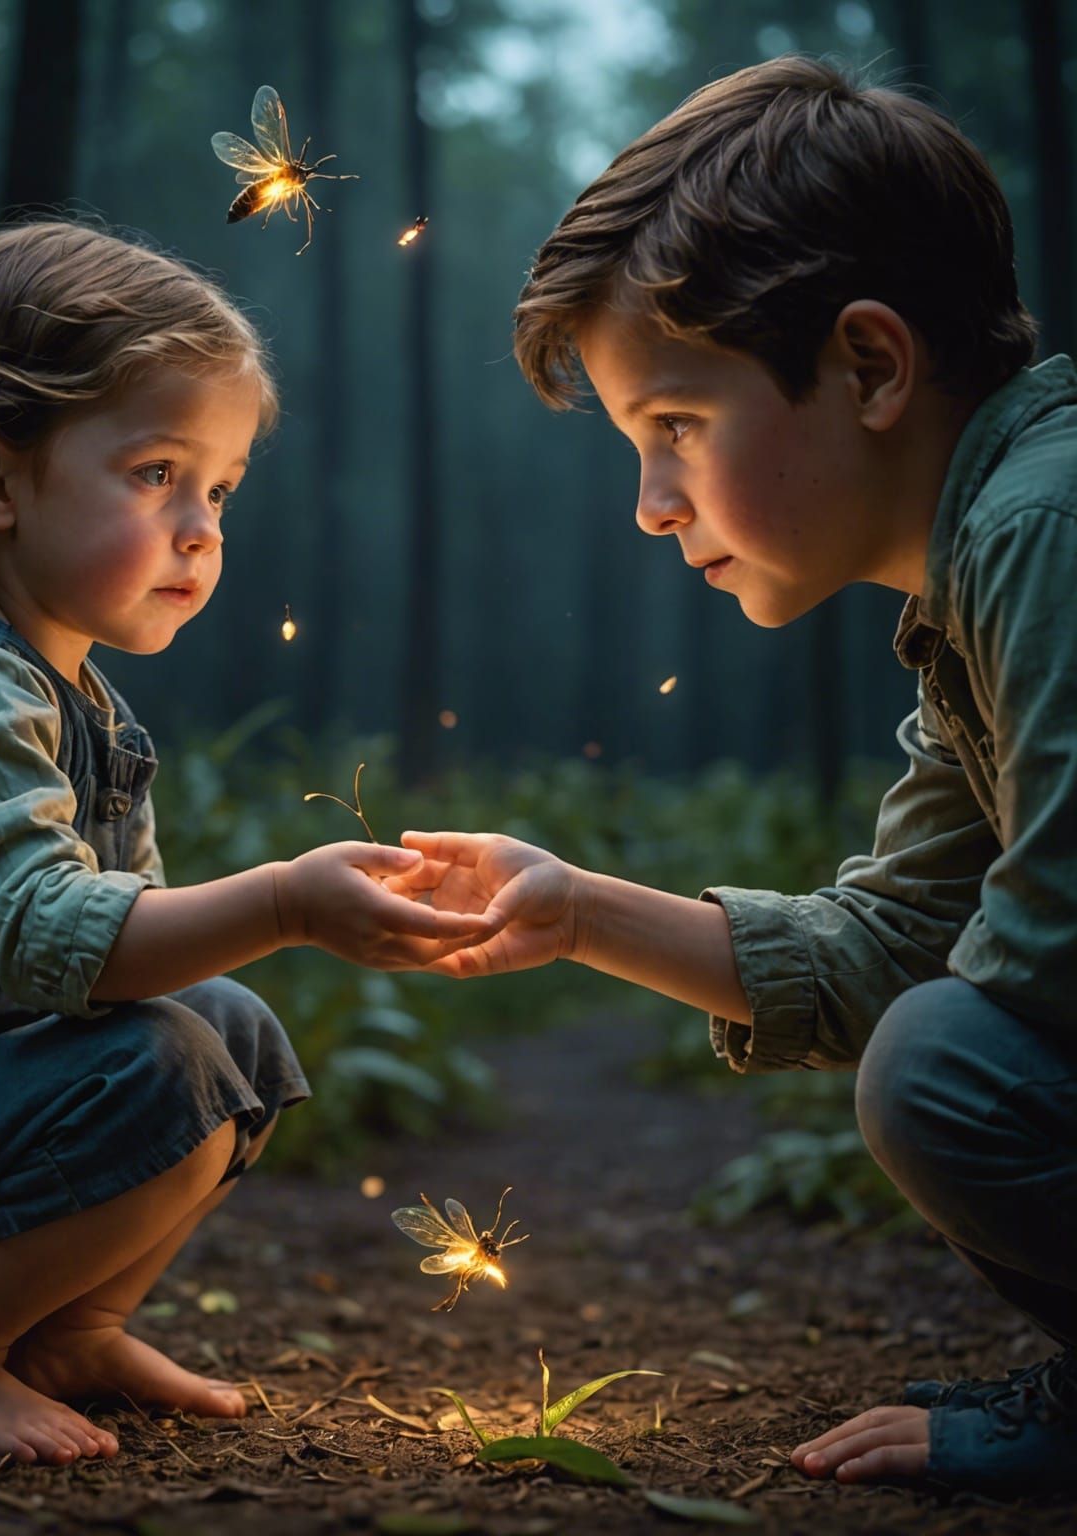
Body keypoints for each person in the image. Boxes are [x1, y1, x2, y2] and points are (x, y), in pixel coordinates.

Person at [0, 221, 495, 1467]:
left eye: (218, 488)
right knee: (169, 1062)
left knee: (228, 1030)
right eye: (157, 472)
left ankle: (61, 1327)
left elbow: (129, 976)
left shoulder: (81, 703)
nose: (203, 527)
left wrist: (289, 918)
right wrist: (285, 902)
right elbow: (66, 941)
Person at [391, 57, 1077, 1497]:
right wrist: (574, 908)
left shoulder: (1043, 534)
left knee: (948, 1072)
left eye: (677, 430)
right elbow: (904, 945)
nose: (652, 507)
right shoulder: (986, 565)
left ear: (871, 366)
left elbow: (1027, 994)